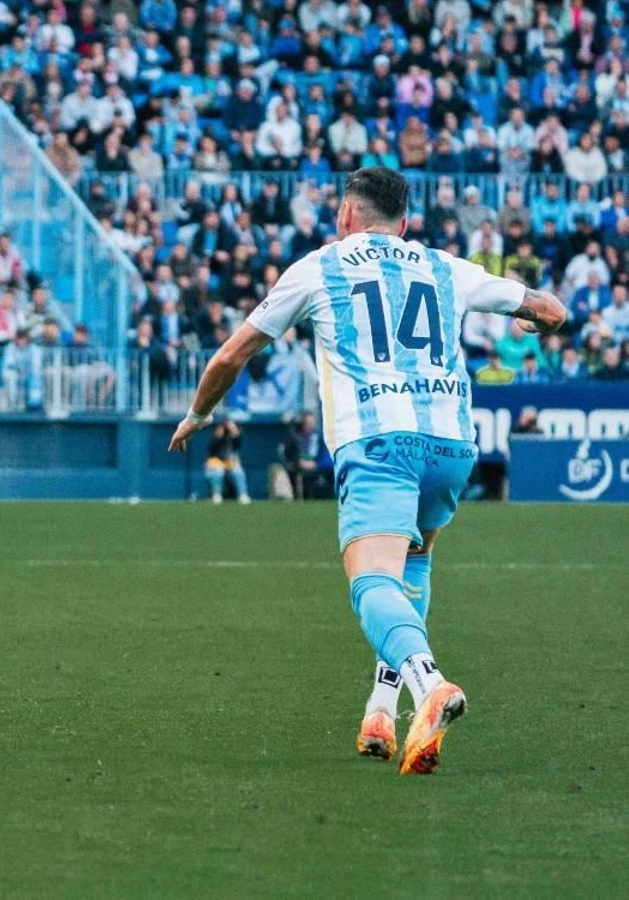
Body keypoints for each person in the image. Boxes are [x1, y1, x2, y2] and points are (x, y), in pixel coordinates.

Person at [168, 167, 567, 775]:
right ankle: (382, 709)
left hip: (379, 444)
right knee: (414, 563)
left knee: (371, 583)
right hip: (450, 446)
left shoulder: (319, 267)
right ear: (404, 223)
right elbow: (550, 309)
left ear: (345, 216)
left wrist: (199, 414)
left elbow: (232, 354)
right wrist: (536, 323)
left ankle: (430, 685)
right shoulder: (444, 265)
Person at [204, 419, 251, 504]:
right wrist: (219, 434)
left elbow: (237, 444)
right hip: (216, 464)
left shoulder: (232, 438)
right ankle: (216, 494)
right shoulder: (215, 438)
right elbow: (212, 448)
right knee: (218, 472)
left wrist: (233, 431)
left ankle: (243, 494)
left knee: (238, 472)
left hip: (229, 463)